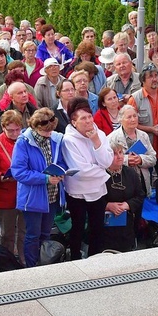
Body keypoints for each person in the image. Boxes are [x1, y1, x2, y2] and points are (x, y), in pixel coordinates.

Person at [11, 108, 66, 267]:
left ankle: (45, 264)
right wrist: (46, 178)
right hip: (33, 197)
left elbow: (60, 160)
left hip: (52, 195)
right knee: (33, 235)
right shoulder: (23, 142)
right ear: (36, 127)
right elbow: (19, 172)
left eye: (51, 131)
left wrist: (61, 172)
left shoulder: (55, 138)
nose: (49, 134)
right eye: (45, 132)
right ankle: (31, 267)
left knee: (46, 234)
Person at [62, 98, 114, 260]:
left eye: (89, 116)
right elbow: (81, 171)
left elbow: (107, 161)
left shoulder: (100, 135)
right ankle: (75, 259)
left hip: (98, 190)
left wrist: (96, 141)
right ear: (74, 122)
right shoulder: (68, 140)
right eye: (83, 118)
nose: (88, 121)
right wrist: (103, 172)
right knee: (77, 227)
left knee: (97, 227)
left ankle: (95, 258)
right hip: (77, 192)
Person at [0, 110, 26, 264]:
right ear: (3, 128)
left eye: (17, 129)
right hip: (5, 195)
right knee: (7, 233)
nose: (15, 133)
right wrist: (2, 177)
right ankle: (7, 261)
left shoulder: (25, 140)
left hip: (24, 194)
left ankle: (24, 259)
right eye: (11, 130)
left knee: (24, 231)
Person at [103, 140, 145, 252]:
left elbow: (140, 196)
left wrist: (127, 205)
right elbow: (91, 200)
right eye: (114, 154)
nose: (119, 156)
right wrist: (107, 205)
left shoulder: (131, 173)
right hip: (103, 227)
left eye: (121, 152)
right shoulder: (99, 174)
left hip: (126, 225)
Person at [107, 105, 157, 195]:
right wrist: (126, 160)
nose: (133, 119)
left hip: (143, 181)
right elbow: (107, 161)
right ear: (121, 119)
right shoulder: (112, 138)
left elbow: (153, 158)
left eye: (135, 116)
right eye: (129, 117)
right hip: (122, 182)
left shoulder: (143, 135)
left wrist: (141, 159)